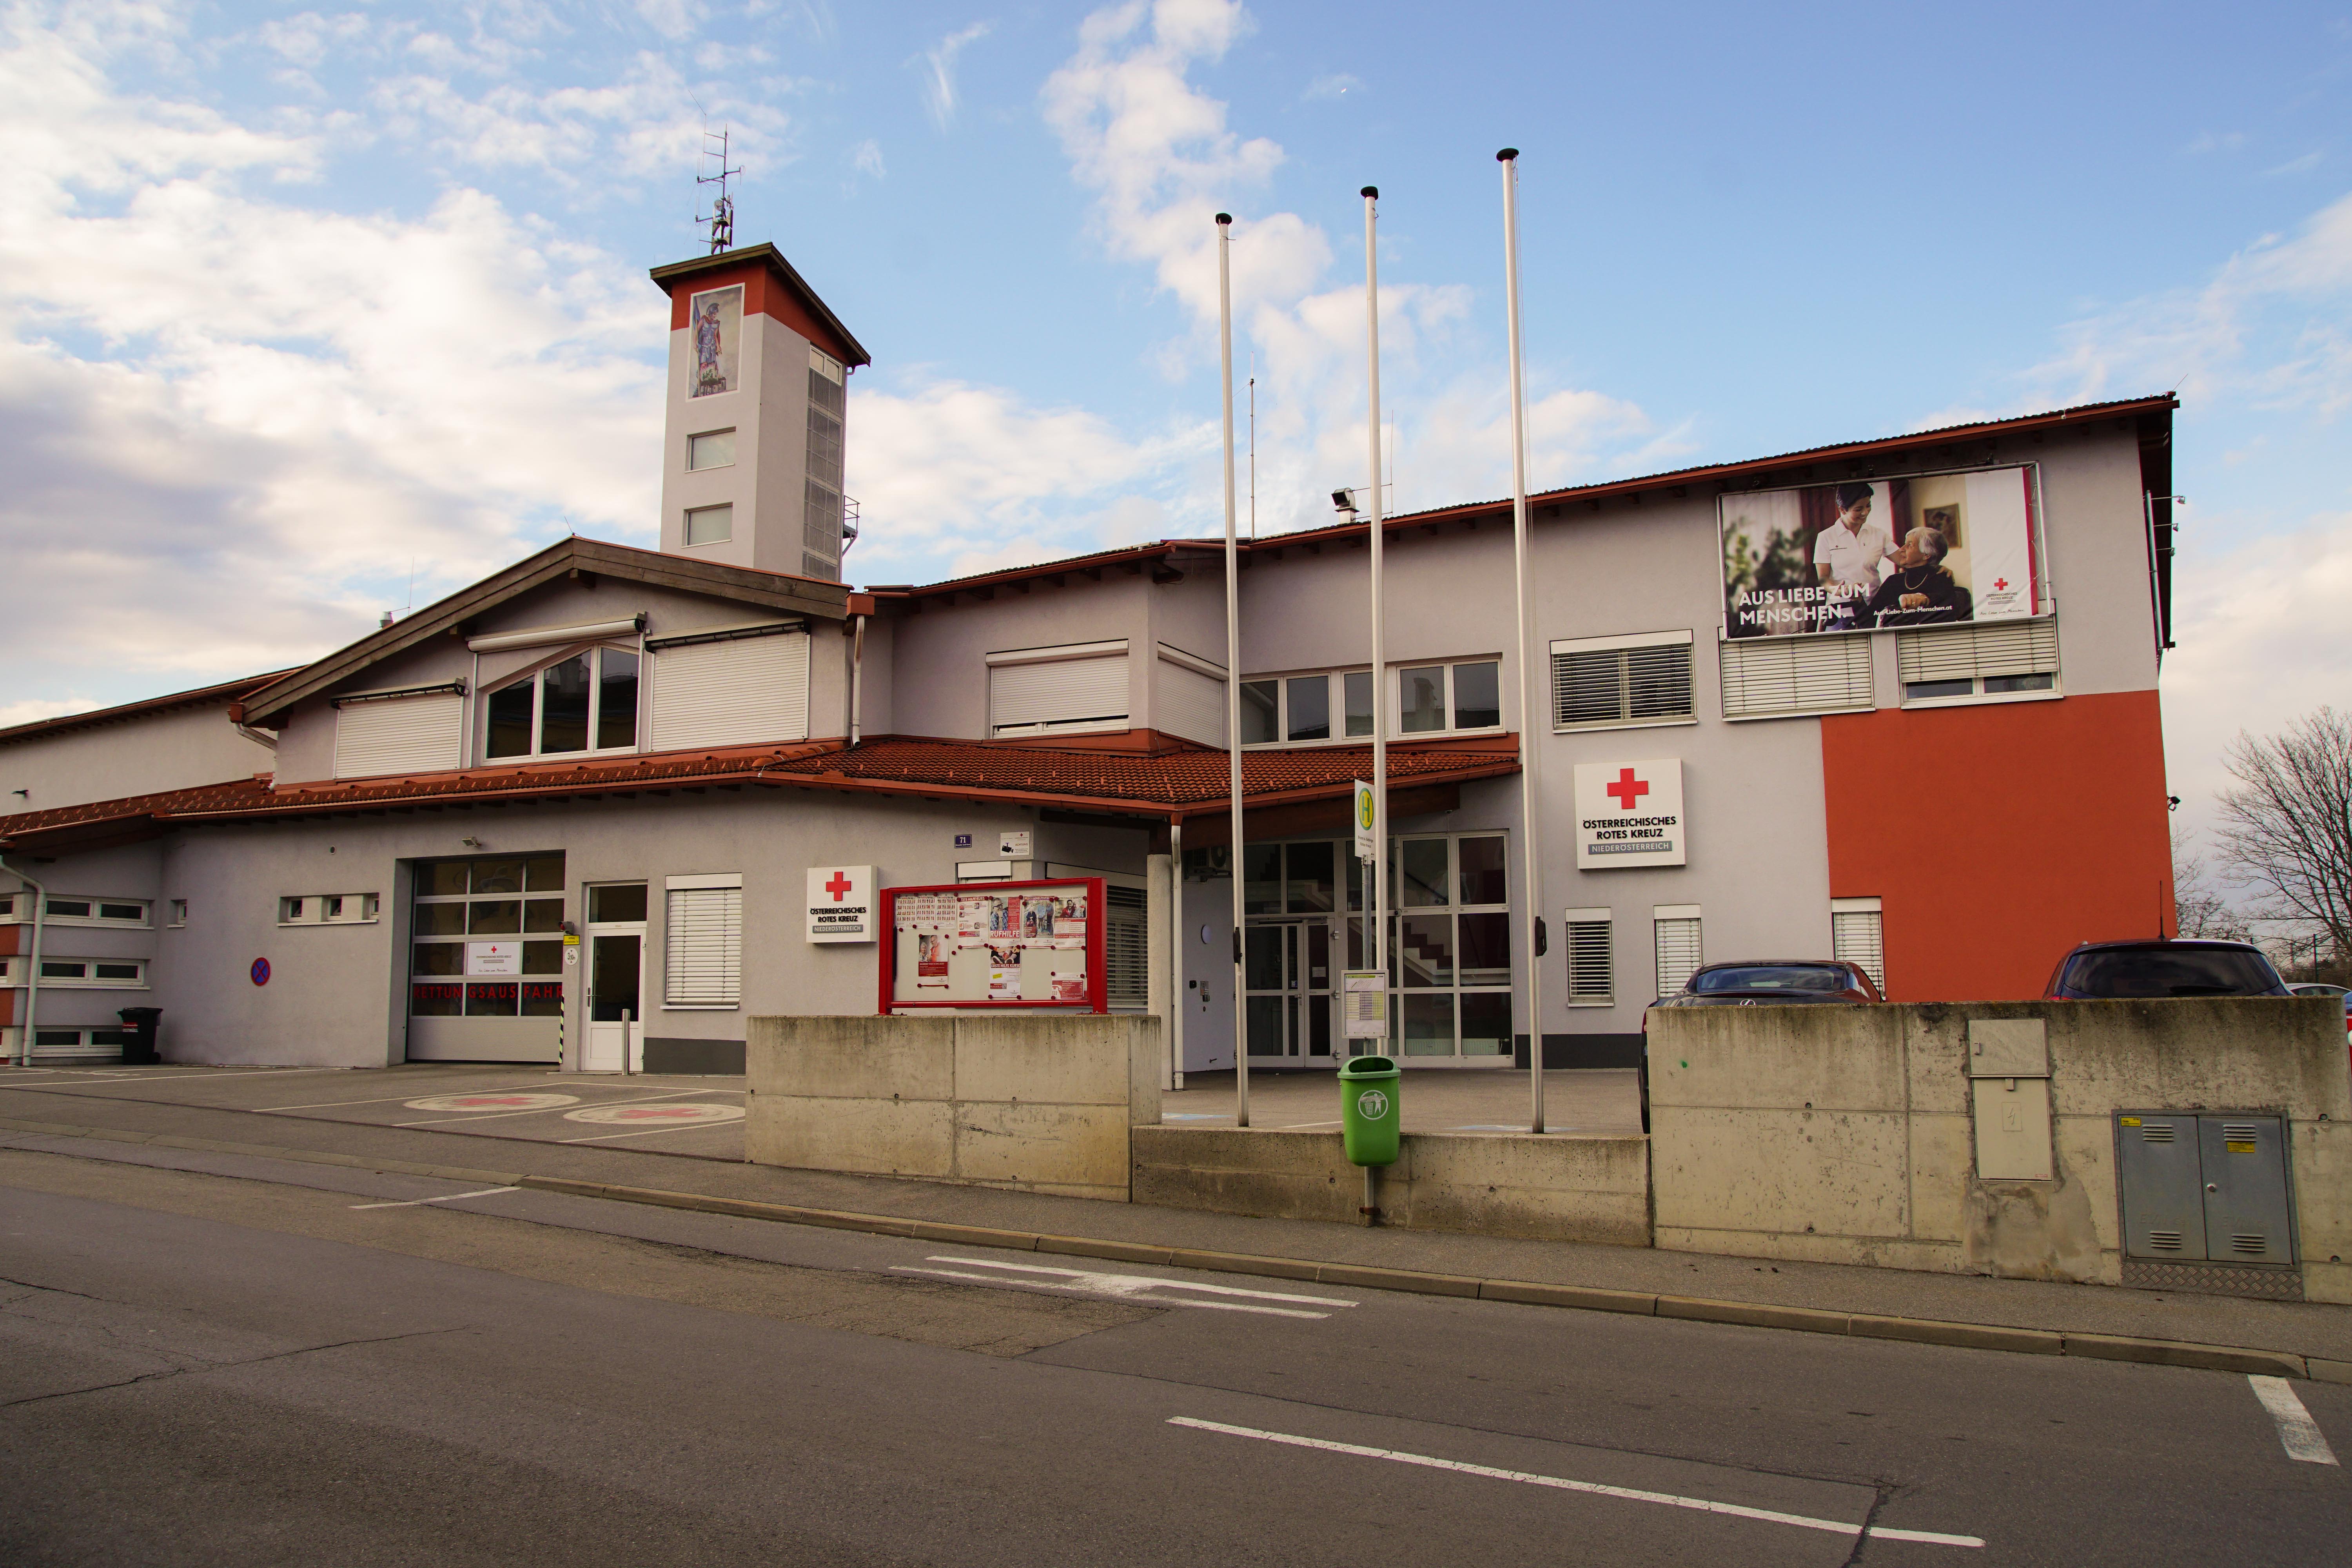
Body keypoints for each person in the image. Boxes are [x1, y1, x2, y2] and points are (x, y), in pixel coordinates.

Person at [1809, 482, 1891, 631]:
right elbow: (1824, 579)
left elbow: (1905, 559)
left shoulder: (1878, 534)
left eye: (1868, 506)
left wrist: (1936, 567)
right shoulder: (1826, 537)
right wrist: (1842, 590)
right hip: (1841, 608)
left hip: (1874, 607)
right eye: (1859, 509)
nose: (1865, 512)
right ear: (1843, 510)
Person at [1863, 526, 1969, 624]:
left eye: (1909, 545)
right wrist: (1857, 600)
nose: (1901, 549)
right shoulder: (1893, 581)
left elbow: (1943, 611)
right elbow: (1870, 619)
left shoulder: (1941, 577)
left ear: (1926, 555)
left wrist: (1922, 599)